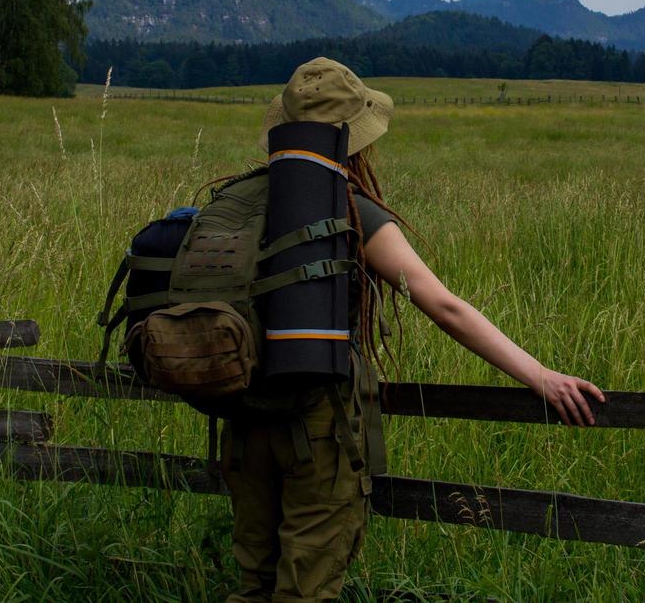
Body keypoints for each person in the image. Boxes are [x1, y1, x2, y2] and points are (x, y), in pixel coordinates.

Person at [221, 56, 605, 602]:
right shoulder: (352, 212)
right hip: (317, 421)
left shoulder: (239, 199)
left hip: (242, 417)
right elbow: (444, 306)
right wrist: (539, 375)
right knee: (305, 588)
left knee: (252, 583)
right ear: (356, 141)